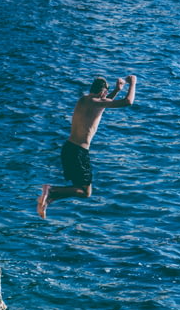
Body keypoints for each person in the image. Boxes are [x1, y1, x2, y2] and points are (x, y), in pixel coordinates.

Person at [37, 74, 137, 219]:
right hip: (79, 152)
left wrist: (117, 90)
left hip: (69, 149)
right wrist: (132, 83)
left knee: (77, 188)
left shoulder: (85, 100)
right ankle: (51, 191)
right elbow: (128, 102)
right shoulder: (97, 102)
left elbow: (103, 104)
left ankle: (48, 199)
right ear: (103, 92)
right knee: (85, 192)